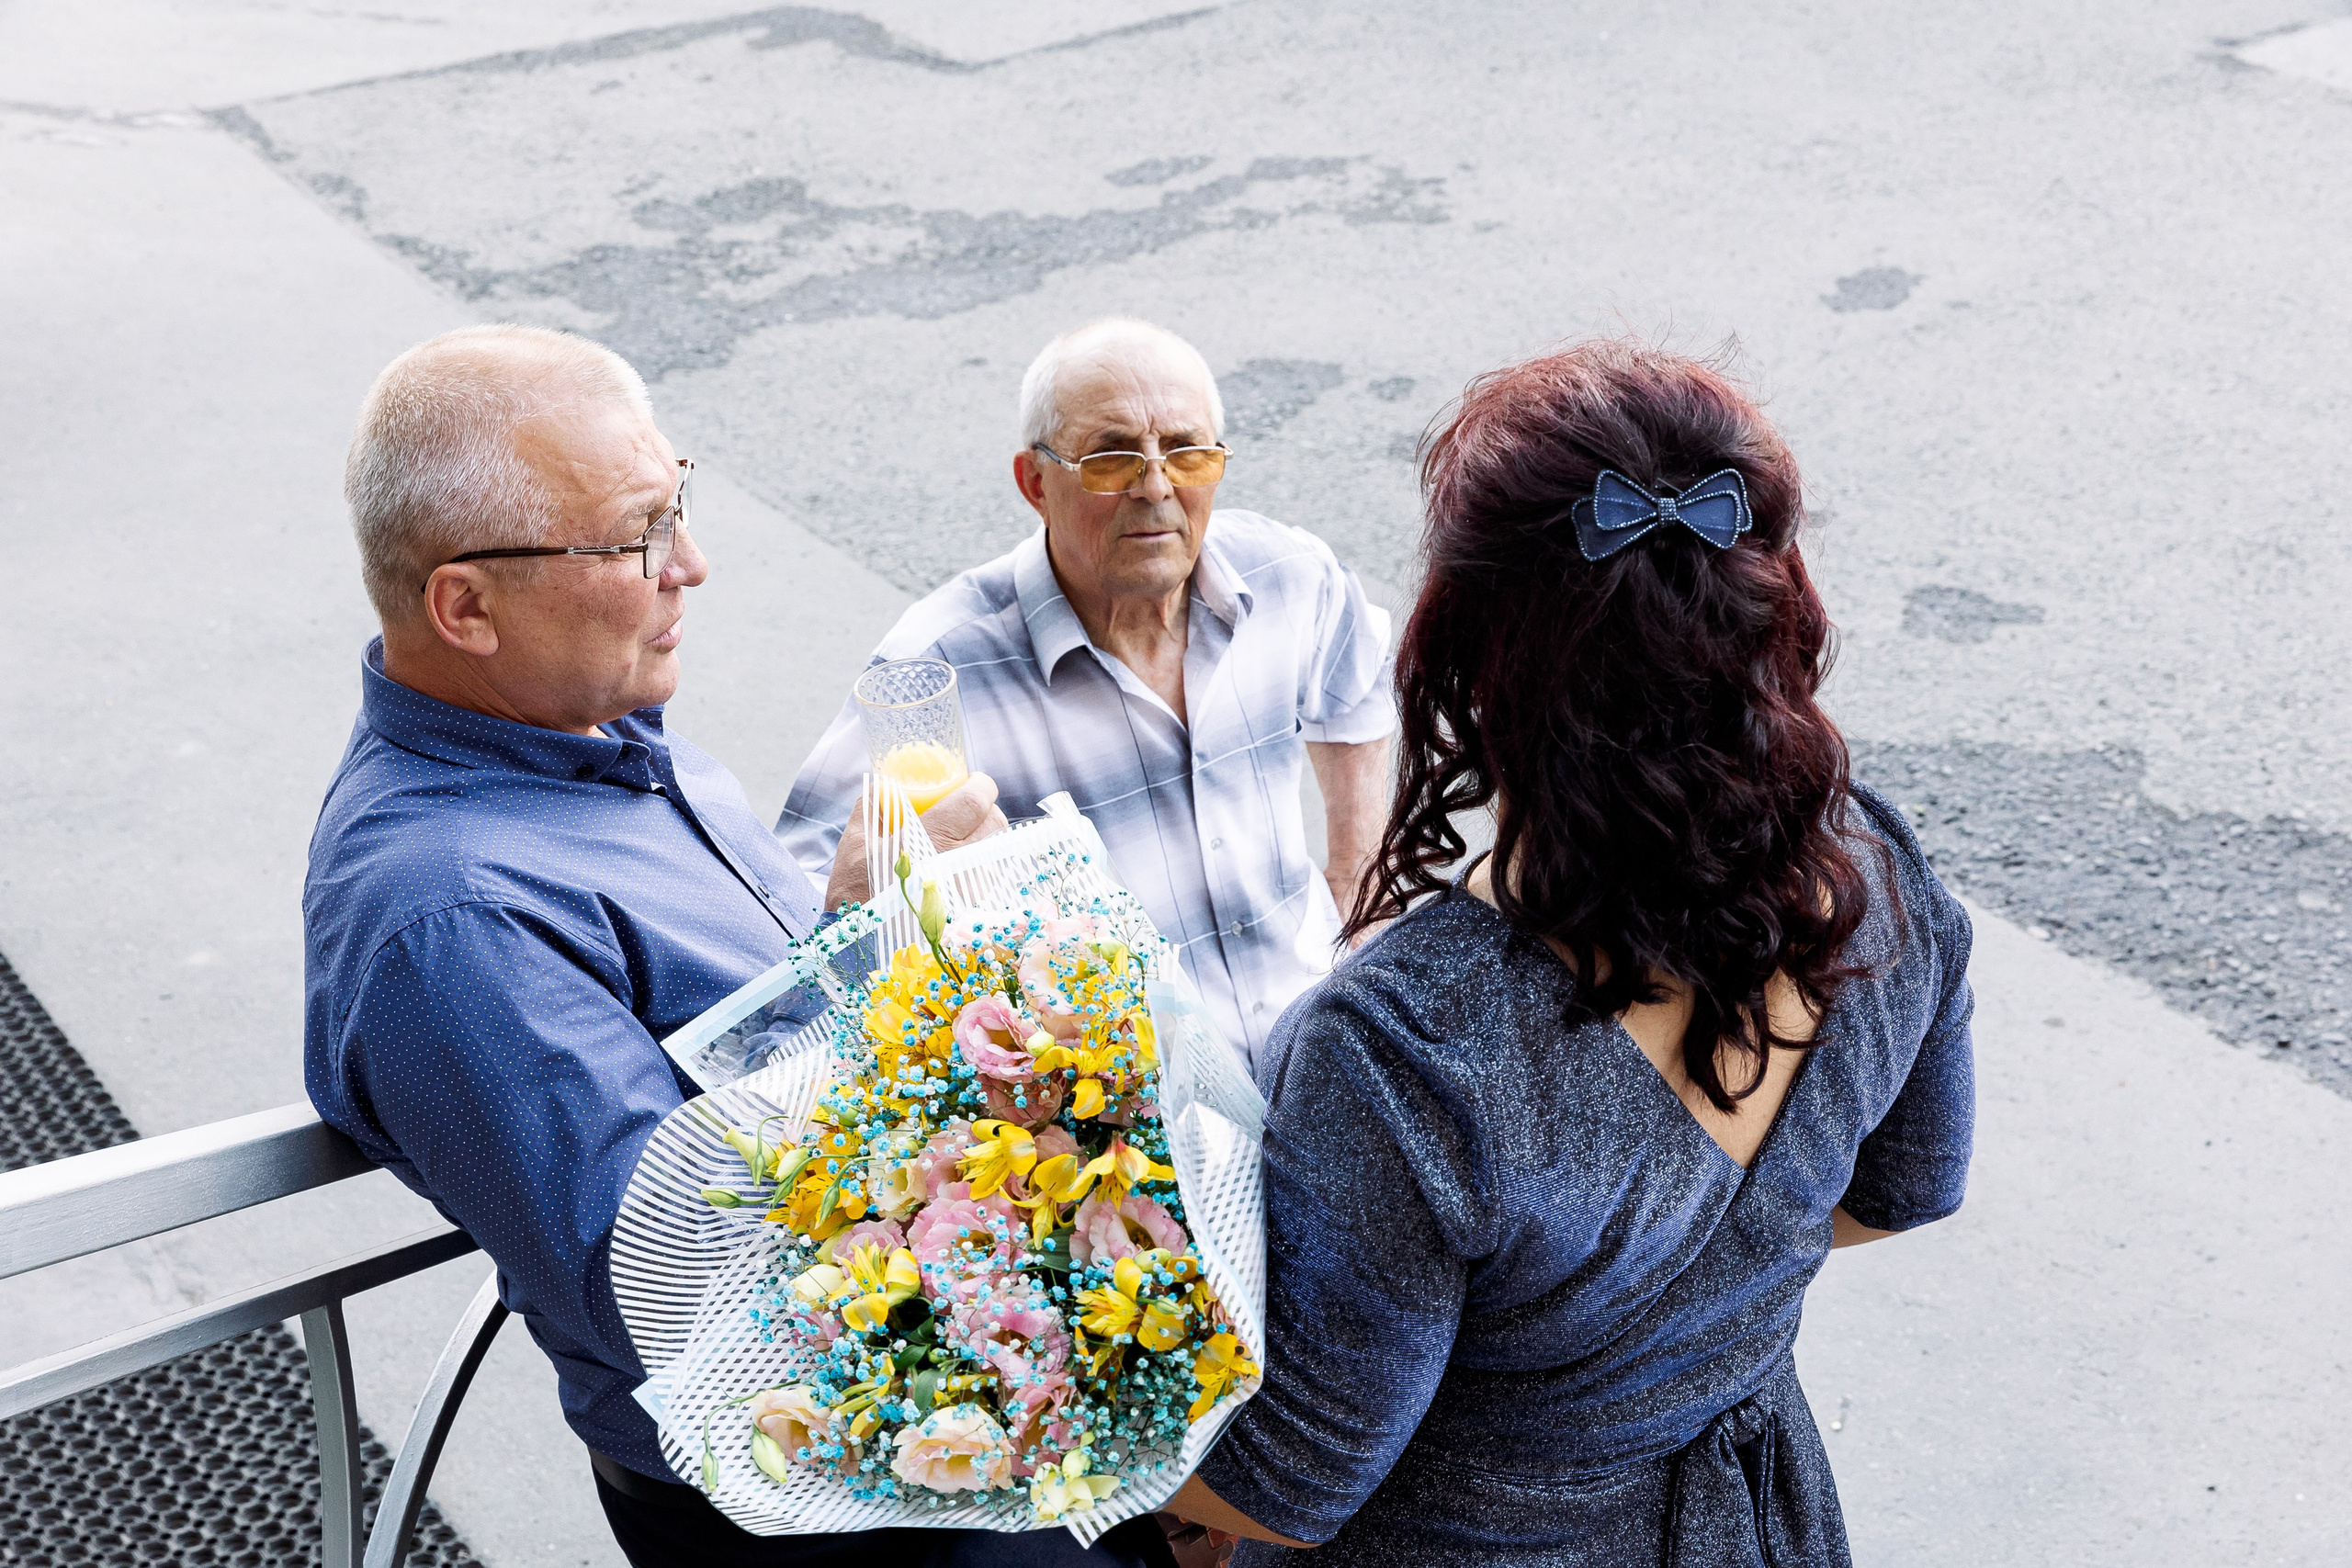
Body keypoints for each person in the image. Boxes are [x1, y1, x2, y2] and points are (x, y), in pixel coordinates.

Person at [302, 324, 1171, 1568]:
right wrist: (874, 956)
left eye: (680, 505)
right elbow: (677, 1288)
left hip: (945, 1348)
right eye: (637, 536)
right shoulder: (450, 918)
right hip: (822, 1480)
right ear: (465, 606)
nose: (691, 565)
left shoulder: (588, 724)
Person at [1168, 340, 1978, 1564]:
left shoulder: (1410, 1047)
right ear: (1768, 611)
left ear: (1480, 657)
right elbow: (1896, 1189)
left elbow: (1286, 1482)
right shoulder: (1878, 873)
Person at [776, 319, 1393, 1066]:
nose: (1157, 486)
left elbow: (1354, 685)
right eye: (1111, 459)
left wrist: (1358, 898)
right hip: (1129, 1139)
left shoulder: (1288, 578)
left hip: (1326, 1065)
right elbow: (802, 904)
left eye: (1188, 453)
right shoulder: (942, 666)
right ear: (1036, 482)